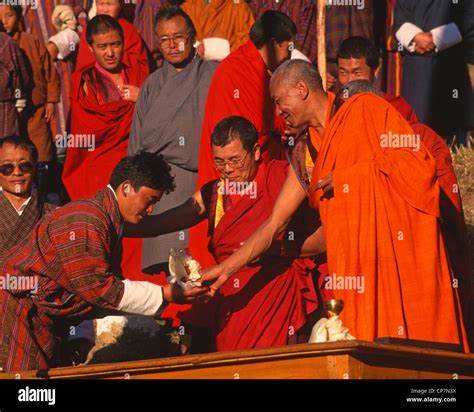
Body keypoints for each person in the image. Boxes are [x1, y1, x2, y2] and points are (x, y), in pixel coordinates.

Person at [201, 59, 470, 352]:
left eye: (279, 102)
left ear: (301, 89)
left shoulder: (364, 108)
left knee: (417, 354)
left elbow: (418, 169)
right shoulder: (307, 149)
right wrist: (226, 268)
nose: (278, 113)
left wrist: (349, 178)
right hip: (355, 268)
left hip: (400, 256)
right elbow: (274, 223)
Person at [125, 116, 327, 351]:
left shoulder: (282, 178)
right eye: (219, 162)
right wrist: (114, 223)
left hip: (275, 293)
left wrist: (273, 248)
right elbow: (161, 224)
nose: (228, 170)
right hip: (232, 298)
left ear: (256, 151)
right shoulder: (214, 193)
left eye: (235, 160)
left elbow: (325, 238)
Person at [0, 151, 208, 372]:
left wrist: (80, 333)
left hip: (44, 319)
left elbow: (89, 290)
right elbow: (102, 289)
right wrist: (167, 294)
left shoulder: (108, 220)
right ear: (126, 187)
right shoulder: (88, 219)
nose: (150, 209)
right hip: (18, 309)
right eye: (149, 200)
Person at [335, 37, 473, 338]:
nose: (348, 80)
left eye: (356, 72)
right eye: (342, 72)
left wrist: (350, 177)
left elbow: (413, 172)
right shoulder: (334, 111)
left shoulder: (397, 112)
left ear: (376, 71)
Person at [191, 10, 295, 267]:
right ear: (273, 44)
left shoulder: (251, 66)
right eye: (288, 48)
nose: (290, 55)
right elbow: (256, 129)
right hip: (234, 171)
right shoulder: (239, 70)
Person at [128, 6, 217, 275]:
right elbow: (136, 142)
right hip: (158, 187)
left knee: (196, 266)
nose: (172, 45)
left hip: (196, 184)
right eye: (164, 39)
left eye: (178, 36)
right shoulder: (152, 84)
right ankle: (166, 315)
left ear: (192, 36)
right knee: (167, 269)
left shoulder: (213, 75)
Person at [62, 15, 147, 201]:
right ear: (91, 48)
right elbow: (86, 134)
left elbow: (158, 120)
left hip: (136, 161)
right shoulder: (84, 83)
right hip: (98, 165)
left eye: (115, 44)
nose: (110, 53)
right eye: (102, 47)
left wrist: (144, 98)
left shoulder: (138, 75)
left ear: (123, 43)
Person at [395, 0, 471, 142]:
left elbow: (469, 16)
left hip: (450, 59)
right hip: (416, 63)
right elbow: (400, 16)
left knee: (451, 124)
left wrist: (437, 39)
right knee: (417, 124)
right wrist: (416, 37)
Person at [0, 5, 60, 170]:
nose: (4, 21)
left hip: (36, 108)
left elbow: (50, 72)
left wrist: (51, 101)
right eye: (0, 17)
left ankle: (44, 185)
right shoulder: (2, 43)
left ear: (19, 17)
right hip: (10, 110)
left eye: (9, 15)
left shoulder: (31, 42)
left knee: (40, 151)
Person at [0, 135, 56, 256]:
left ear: (35, 169)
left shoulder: (55, 215)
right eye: (7, 168)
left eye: (24, 166)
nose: (17, 172)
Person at [75, 0, 152, 75]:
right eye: (101, 4)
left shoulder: (129, 30)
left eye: (109, 4)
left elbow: (138, 65)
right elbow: (83, 65)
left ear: (120, 6)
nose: (105, 9)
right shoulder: (89, 29)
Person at [181, 0, 255, 60]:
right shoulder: (186, 8)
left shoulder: (239, 7)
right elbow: (178, 41)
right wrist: (195, 47)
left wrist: (213, 49)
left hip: (229, 68)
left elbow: (250, 40)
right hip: (195, 69)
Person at [0, 28, 30, 137]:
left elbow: (21, 74)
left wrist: (20, 99)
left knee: (6, 147)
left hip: (5, 106)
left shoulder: (6, 42)